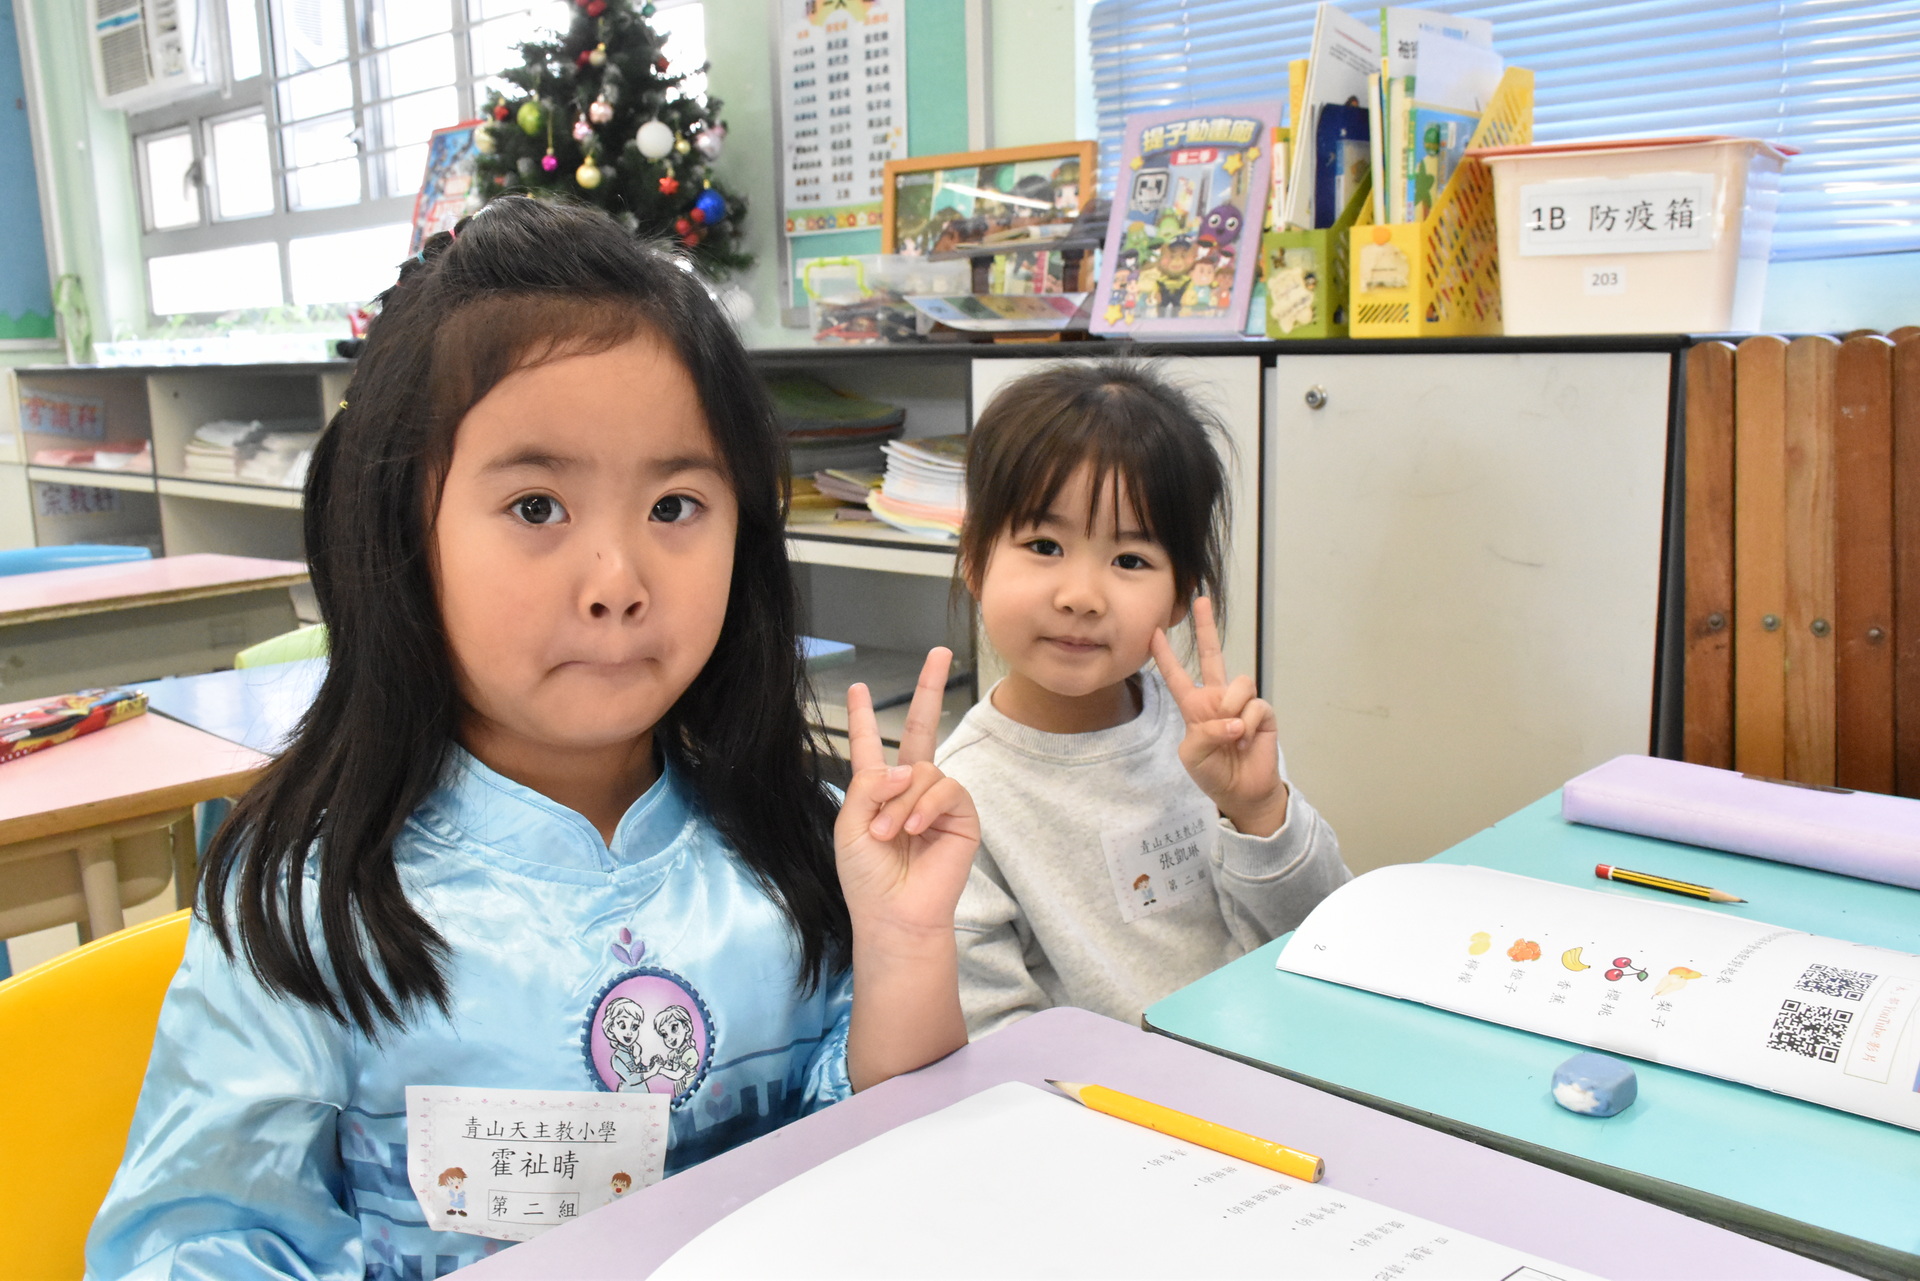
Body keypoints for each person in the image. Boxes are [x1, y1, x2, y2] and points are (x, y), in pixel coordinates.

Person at [87, 196, 978, 1280]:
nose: (617, 582)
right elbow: (194, 1247)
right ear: (401, 531)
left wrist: (904, 949)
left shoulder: (806, 840)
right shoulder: (312, 903)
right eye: (537, 507)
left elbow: (883, 1168)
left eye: (674, 506)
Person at [938, 362, 1350, 1037]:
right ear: (975, 559)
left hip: (1283, 1059)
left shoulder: (1213, 737)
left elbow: (1328, 935)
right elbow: (990, 1036)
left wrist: (1259, 812)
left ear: (1181, 594)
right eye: (1044, 545)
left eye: (1129, 560)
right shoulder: (958, 800)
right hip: (1109, 1099)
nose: (1080, 596)